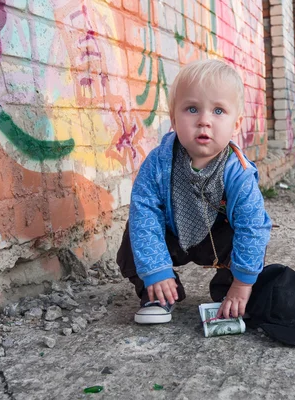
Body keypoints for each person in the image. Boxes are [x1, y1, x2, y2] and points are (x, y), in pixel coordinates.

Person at [116, 59, 272, 324]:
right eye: (191, 109)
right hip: (172, 236)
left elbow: (252, 226)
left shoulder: (239, 171)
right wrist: (156, 270)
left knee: (249, 238)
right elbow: (145, 214)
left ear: (237, 124)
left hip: (216, 240)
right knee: (134, 238)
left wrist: (243, 283)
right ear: (174, 119)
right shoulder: (157, 163)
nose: (204, 121)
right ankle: (160, 294)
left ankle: (228, 293)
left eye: (219, 111)